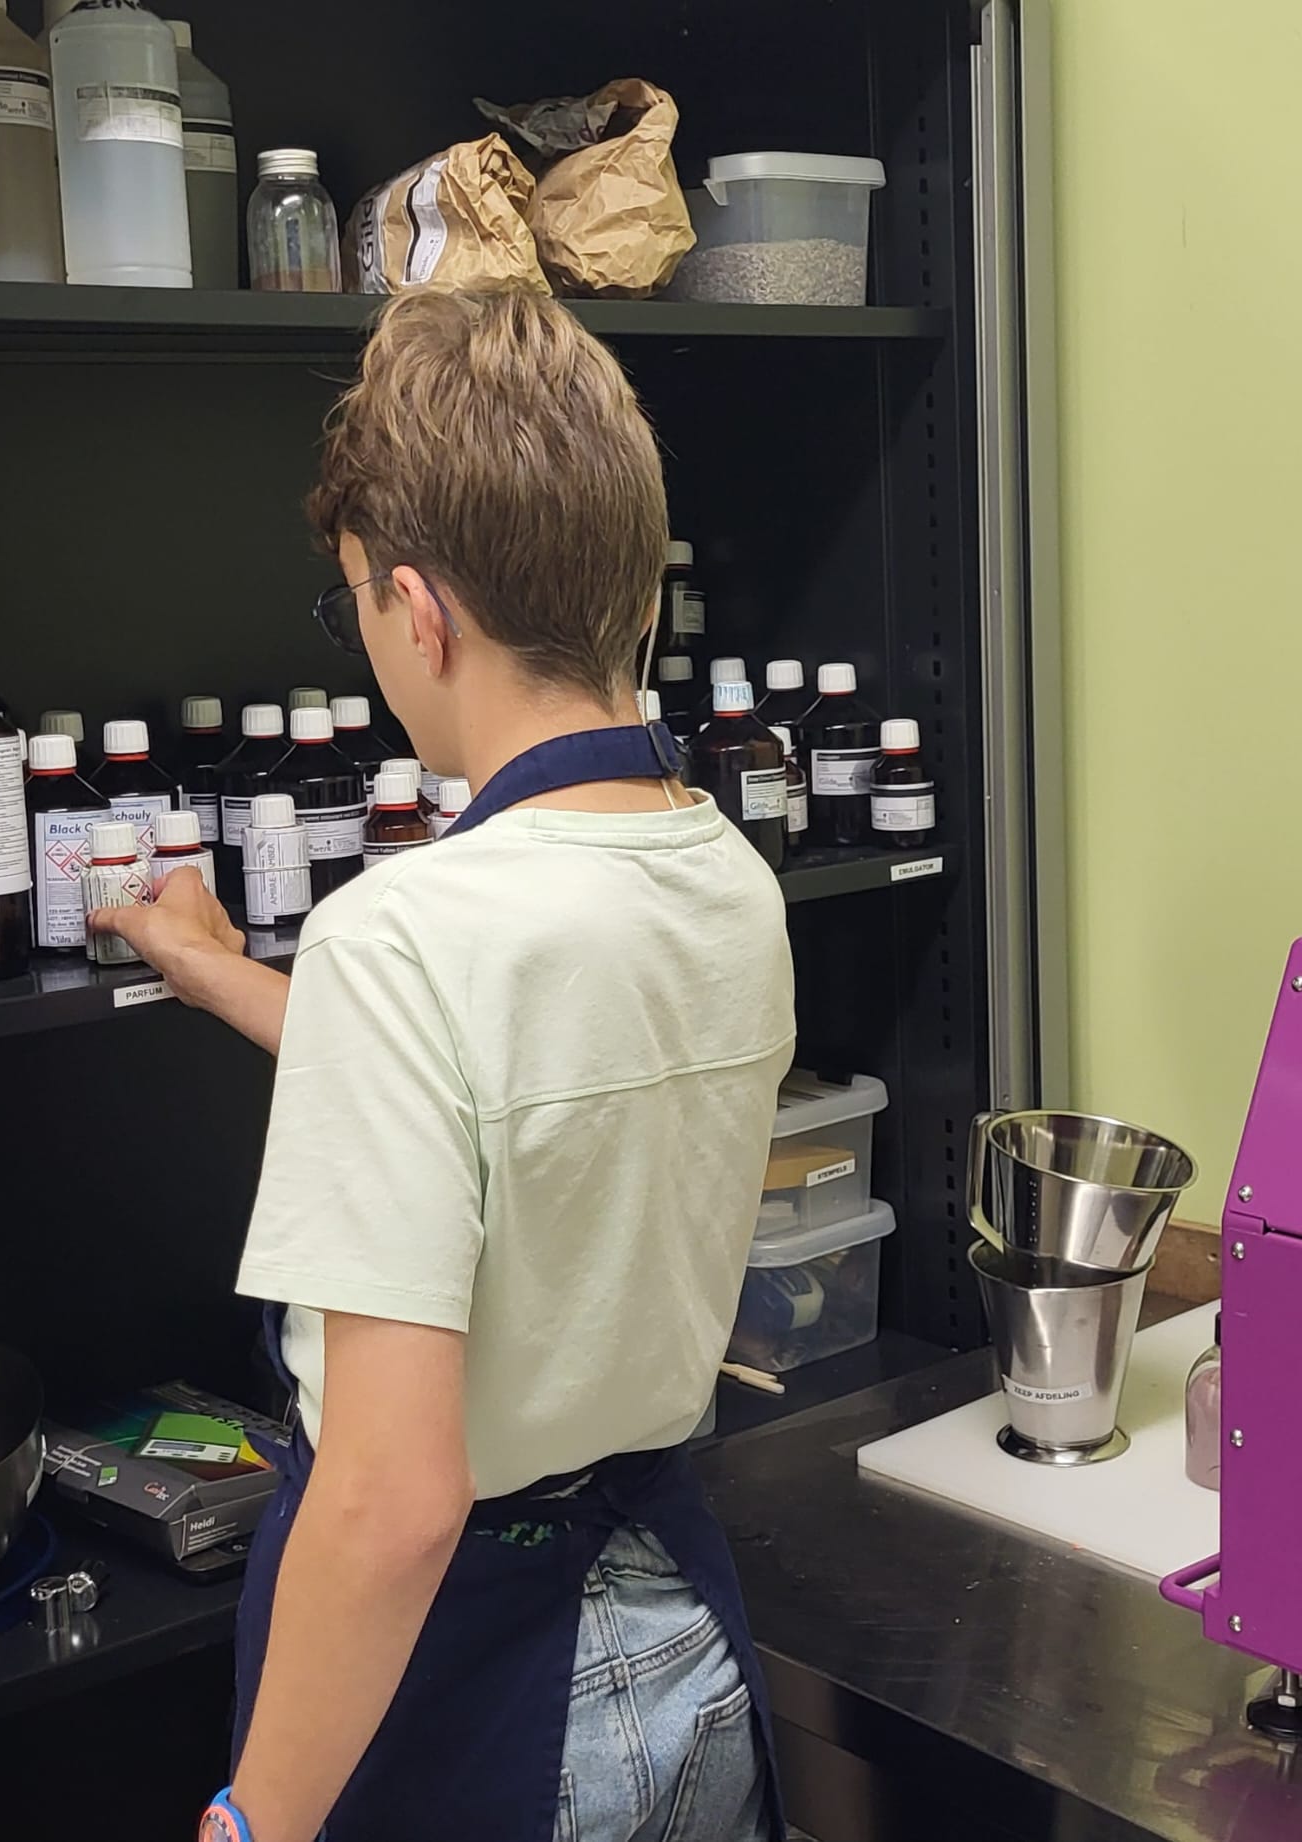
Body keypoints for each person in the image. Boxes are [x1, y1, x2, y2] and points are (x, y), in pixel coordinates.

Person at [92, 288, 794, 1842]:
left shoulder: (405, 932)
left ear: (422, 615)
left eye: (353, 603)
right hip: (680, 1643)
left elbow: (397, 1498)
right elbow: (511, 1098)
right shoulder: (723, 879)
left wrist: (252, 1822)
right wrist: (226, 975)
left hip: (482, 1693)